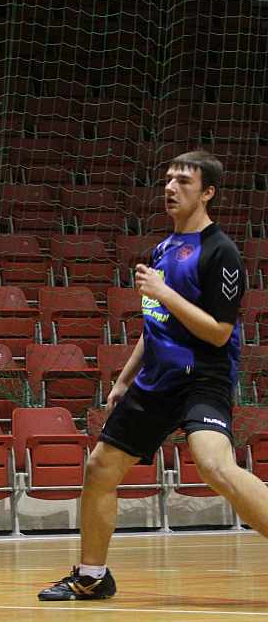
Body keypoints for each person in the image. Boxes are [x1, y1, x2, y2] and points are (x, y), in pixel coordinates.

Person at [39, 150, 268, 601]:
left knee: (215, 465)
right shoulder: (163, 249)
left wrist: (163, 290)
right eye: (167, 179)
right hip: (156, 379)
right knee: (101, 468)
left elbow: (219, 332)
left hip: (202, 376)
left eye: (183, 181)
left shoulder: (221, 252)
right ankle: (91, 576)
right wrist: (124, 379)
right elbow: (156, 324)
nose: (170, 188)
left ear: (207, 192)